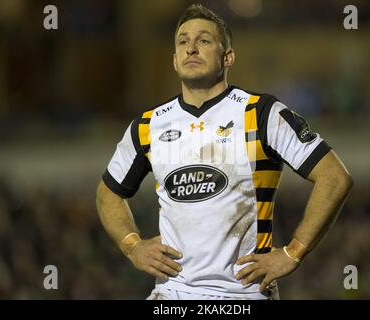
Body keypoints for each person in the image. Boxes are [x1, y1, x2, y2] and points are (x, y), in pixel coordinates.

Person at [96, 4, 353, 300]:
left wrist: (292, 253)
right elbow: (108, 192)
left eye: (204, 40)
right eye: (183, 42)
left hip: (243, 295)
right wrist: (132, 245)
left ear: (227, 56)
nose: (191, 48)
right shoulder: (147, 125)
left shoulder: (261, 113)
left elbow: (335, 178)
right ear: (175, 61)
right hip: (172, 295)